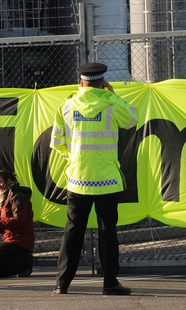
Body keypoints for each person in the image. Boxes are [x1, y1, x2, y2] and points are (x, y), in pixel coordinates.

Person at [51, 61, 137, 296]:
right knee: (107, 231)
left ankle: (62, 283)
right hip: (107, 179)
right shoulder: (111, 103)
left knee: (72, 231)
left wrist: (76, 158)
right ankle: (109, 282)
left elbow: (57, 142)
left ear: (81, 82)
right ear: (103, 83)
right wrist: (114, 96)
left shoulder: (66, 106)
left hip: (78, 179)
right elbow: (132, 120)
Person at [0, 170, 34, 278]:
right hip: (10, 240)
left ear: (9, 181)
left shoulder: (17, 197)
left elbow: (18, 221)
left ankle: (25, 263)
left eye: (0, 182)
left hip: (20, 241)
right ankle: (20, 264)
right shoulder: (5, 199)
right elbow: (6, 226)